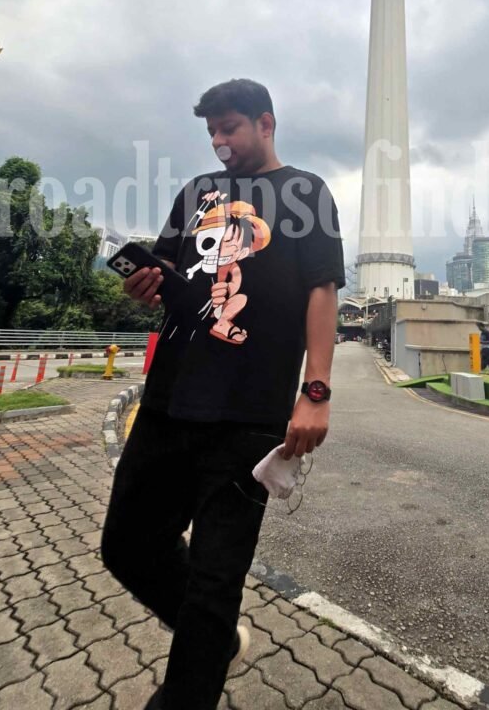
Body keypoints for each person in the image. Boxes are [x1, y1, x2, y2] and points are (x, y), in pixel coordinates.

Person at [100, 79, 345, 710]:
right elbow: (165, 272)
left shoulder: (306, 193)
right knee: (126, 545)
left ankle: (199, 658)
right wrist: (145, 285)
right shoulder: (195, 193)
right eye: (211, 131)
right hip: (169, 400)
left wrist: (314, 391)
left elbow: (323, 291)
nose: (219, 142)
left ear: (265, 123)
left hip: (250, 414)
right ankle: (210, 636)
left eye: (230, 128)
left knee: (216, 577)